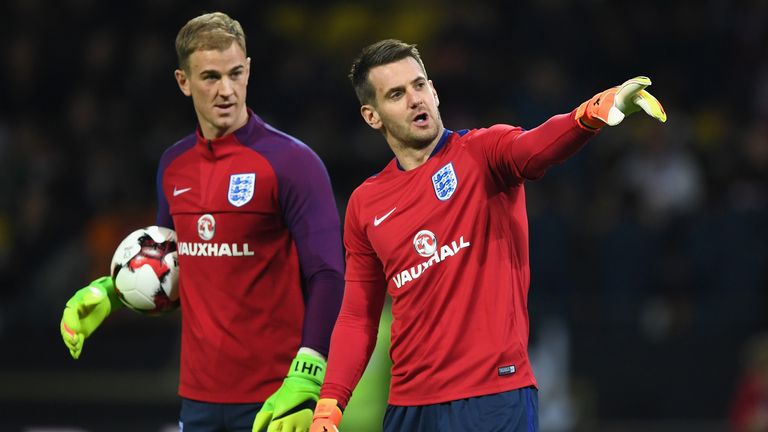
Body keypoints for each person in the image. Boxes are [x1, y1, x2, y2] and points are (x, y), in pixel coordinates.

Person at [309, 39, 666, 432]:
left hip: (492, 398)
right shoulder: (366, 204)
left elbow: (535, 147)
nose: (414, 99)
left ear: (434, 91)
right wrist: (330, 401)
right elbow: (358, 315)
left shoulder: (481, 153)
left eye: (419, 85)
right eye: (396, 94)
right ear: (372, 116)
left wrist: (593, 112)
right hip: (408, 409)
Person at [58, 12, 345, 432]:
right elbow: (168, 272)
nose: (226, 90)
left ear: (249, 71)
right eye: (210, 76)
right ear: (183, 81)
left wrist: (310, 369)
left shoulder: (294, 164)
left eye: (235, 73)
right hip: (198, 401)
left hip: (279, 398)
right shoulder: (174, 166)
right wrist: (112, 292)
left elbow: (328, 273)